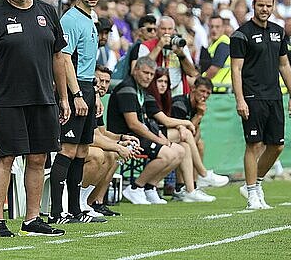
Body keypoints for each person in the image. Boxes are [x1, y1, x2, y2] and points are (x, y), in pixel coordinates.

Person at [0, 0, 69, 237]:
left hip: (43, 98)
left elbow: (58, 57)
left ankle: (32, 219)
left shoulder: (48, 12)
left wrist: (63, 97)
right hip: (6, 100)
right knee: (4, 158)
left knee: (38, 159)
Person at [230, 0, 291, 210]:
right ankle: (252, 195)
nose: (265, 9)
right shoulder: (241, 34)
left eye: (269, 6)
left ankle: (254, 183)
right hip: (252, 96)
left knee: (277, 146)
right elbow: (236, 69)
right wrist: (240, 99)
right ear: (254, 5)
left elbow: (284, 64)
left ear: (273, 6)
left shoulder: (279, 31)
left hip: (274, 96)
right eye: (261, 5)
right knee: (254, 144)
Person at [49, 0, 106, 224]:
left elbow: (86, 61)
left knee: (83, 150)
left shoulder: (90, 18)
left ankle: (75, 209)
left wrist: (95, 94)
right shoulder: (70, 19)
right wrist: (77, 94)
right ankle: (56, 211)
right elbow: (64, 58)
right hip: (77, 90)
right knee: (68, 150)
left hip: (88, 88)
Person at [107, 56, 185, 205]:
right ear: (135, 70)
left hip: (139, 136)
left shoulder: (141, 90)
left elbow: (148, 121)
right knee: (167, 154)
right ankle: (135, 188)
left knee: (180, 151)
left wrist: (160, 136)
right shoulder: (127, 88)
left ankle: (150, 188)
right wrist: (158, 140)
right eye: (145, 73)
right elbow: (133, 124)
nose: (148, 77)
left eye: (151, 74)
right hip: (127, 137)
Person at [144, 69, 217, 202]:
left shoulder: (165, 98)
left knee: (186, 146)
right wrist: (188, 123)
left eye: (166, 82)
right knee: (186, 139)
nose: (163, 85)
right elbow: (167, 122)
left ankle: (189, 189)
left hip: (163, 135)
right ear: (193, 88)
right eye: (159, 81)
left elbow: (195, 133)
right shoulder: (176, 103)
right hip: (150, 136)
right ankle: (203, 174)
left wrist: (195, 120)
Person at [80, 65, 140, 216]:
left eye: (107, 82)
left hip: (83, 144)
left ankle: (95, 202)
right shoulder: (86, 97)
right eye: (100, 80)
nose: (103, 85)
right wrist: (117, 146)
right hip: (67, 147)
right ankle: (81, 202)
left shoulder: (97, 100)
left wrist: (121, 139)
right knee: (103, 154)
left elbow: (101, 133)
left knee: (112, 155)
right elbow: (92, 137)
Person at [171, 76, 230, 189]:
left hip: (183, 137)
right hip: (167, 136)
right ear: (193, 88)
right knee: (184, 147)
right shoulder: (180, 104)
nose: (205, 95)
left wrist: (199, 116)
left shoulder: (197, 106)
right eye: (202, 91)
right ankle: (189, 182)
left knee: (199, 144)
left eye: (208, 93)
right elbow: (184, 133)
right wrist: (199, 115)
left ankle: (195, 184)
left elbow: (196, 133)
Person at [139, 16, 199, 97]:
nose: (166, 32)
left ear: (174, 30)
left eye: (170, 29)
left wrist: (181, 55)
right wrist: (159, 47)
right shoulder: (146, 46)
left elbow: (192, 73)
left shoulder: (180, 45)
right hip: (153, 93)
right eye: (163, 29)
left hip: (177, 93)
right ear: (157, 30)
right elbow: (143, 68)